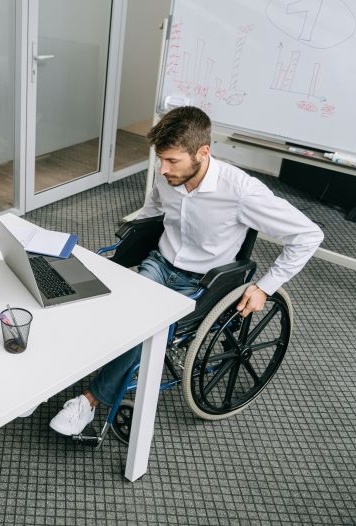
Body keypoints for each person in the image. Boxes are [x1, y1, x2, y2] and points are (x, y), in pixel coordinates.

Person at [48, 106, 324, 435]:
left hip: (202, 286)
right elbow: (151, 215)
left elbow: (309, 235)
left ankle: (90, 401)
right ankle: (49, 382)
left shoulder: (240, 192)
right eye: (160, 159)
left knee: (140, 327)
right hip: (159, 263)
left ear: (203, 152)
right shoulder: (170, 177)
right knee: (98, 300)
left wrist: (266, 286)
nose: (162, 169)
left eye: (172, 161)